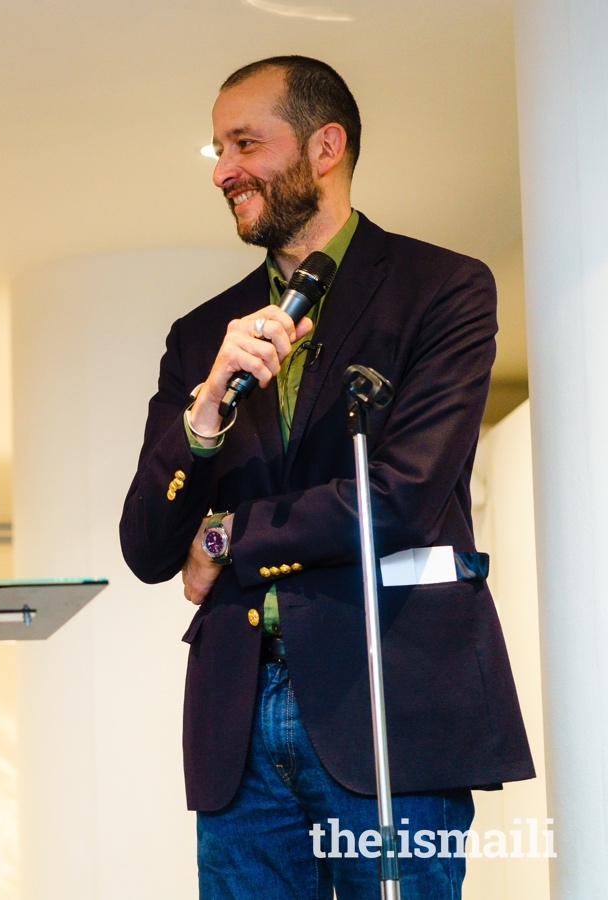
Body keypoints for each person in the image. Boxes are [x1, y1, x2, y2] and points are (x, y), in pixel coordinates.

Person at [119, 57, 534, 898]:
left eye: (245, 142)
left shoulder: (441, 290)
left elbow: (401, 498)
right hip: (237, 721)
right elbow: (147, 545)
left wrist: (229, 535)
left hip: (386, 693)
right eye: (218, 148)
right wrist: (205, 412)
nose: (224, 168)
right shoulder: (202, 333)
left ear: (325, 146)